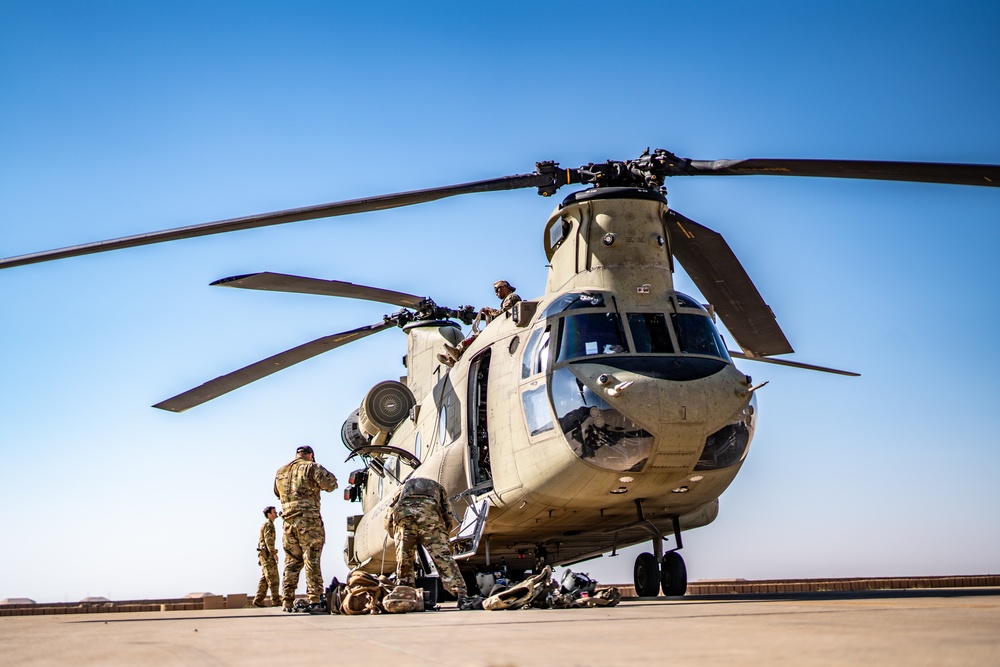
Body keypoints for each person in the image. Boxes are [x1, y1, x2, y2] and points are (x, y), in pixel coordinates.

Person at [384, 477, 474, 607]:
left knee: (405, 560)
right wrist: (443, 535)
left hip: (404, 516)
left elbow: (390, 511)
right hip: (429, 516)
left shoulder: (401, 489)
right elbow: (448, 513)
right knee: (443, 558)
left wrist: (394, 532)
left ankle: (405, 596)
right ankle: (461, 595)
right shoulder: (438, 487)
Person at [273, 445, 338, 612]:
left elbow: (276, 493)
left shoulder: (281, 471)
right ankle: (315, 599)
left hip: (288, 523)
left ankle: (287, 600)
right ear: (310, 455)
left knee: (291, 562)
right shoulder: (312, 467)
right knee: (312, 559)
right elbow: (330, 485)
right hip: (308, 522)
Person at [438, 280, 522, 366]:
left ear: (504, 287)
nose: (496, 294)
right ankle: (452, 357)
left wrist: (491, 311)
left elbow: (504, 314)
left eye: (497, 290)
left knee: (479, 335)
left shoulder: (512, 297)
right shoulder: (507, 299)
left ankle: (457, 352)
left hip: (508, 328)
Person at [252, 506, 281, 608]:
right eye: (274, 512)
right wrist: (274, 554)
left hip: (264, 555)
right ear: (269, 514)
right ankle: (276, 601)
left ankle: (258, 600)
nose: (276, 513)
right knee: (273, 579)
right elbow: (268, 541)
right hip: (267, 555)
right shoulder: (268, 525)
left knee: (265, 578)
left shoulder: (267, 524)